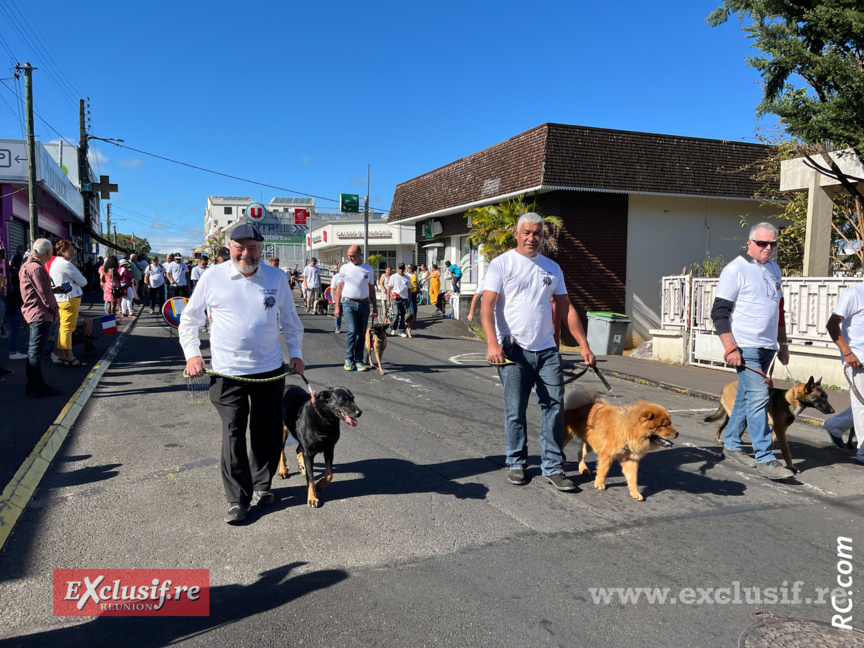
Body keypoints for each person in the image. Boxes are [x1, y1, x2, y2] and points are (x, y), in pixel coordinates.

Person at [180, 224, 304, 525]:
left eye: (252, 247)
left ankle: (262, 485)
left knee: (267, 431)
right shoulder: (213, 276)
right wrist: (193, 354)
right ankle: (237, 499)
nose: (246, 253)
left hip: (269, 370)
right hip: (227, 373)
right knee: (233, 431)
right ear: (230, 247)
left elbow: (290, 318)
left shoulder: (276, 277)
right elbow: (189, 319)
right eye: (240, 247)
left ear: (262, 249)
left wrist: (296, 352)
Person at [482, 213, 595, 491]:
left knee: (554, 408)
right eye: (527, 232)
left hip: (547, 351)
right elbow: (487, 305)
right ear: (516, 234)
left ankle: (553, 467)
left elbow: (566, 307)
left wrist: (584, 345)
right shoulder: (501, 264)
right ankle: (517, 462)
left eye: (537, 233)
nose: (532, 238)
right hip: (513, 351)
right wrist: (492, 343)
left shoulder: (552, 268)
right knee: (515, 411)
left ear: (543, 236)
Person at [711, 222, 793, 480]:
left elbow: (779, 310)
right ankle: (766, 458)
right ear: (750, 243)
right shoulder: (735, 270)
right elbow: (719, 312)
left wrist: (783, 344)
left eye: (773, 244)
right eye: (762, 243)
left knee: (746, 397)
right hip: (745, 346)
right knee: (759, 397)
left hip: (768, 347)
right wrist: (730, 347)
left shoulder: (774, 269)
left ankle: (732, 444)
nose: (768, 248)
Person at [825, 283, 864, 465]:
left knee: (861, 403)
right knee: (861, 406)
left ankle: (835, 425)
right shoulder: (855, 293)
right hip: (858, 360)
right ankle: (863, 450)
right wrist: (847, 352)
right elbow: (832, 324)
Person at [19, 239, 60, 397]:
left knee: (33, 351)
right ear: (48, 252)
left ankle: (32, 384)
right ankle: (38, 386)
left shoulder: (26, 265)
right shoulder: (36, 268)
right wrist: (55, 310)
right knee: (37, 352)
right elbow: (45, 293)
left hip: (32, 311)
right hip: (40, 313)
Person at [334, 245, 378, 371]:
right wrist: (337, 307)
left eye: (352, 255)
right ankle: (349, 358)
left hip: (364, 304)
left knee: (361, 333)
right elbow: (339, 288)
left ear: (359, 254)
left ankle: (358, 360)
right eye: (349, 256)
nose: (350, 258)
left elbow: (371, 289)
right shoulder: (344, 268)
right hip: (348, 303)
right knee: (352, 331)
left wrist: (375, 307)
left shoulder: (368, 269)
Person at [48, 240, 88, 367]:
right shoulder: (66, 265)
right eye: (70, 250)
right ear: (62, 251)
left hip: (61, 298)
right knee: (67, 328)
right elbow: (83, 282)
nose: (73, 253)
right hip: (69, 298)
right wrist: (75, 277)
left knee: (63, 327)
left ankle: (61, 354)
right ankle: (69, 357)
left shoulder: (55, 263)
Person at [8, 245, 27, 360]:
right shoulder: (19, 282)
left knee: (14, 328)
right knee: (14, 328)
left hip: (14, 305)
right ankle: (13, 352)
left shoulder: (16, 279)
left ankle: (13, 351)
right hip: (15, 305)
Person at [386, 263, 411, 338]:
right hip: (395, 298)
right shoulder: (393, 277)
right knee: (396, 314)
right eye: (400, 268)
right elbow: (389, 289)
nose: (401, 270)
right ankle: (393, 328)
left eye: (402, 268)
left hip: (404, 299)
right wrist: (388, 300)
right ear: (397, 269)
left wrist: (409, 300)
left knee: (404, 316)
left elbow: (409, 290)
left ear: (404, 269)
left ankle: (402, 331)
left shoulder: (407, 278)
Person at [331, 262, 343, 334]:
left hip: (347, 298)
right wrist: (333, 298)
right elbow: (332, 288)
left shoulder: (348, 276)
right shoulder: (336, 277)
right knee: (338, 313)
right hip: (338, 298)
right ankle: (337, 327)